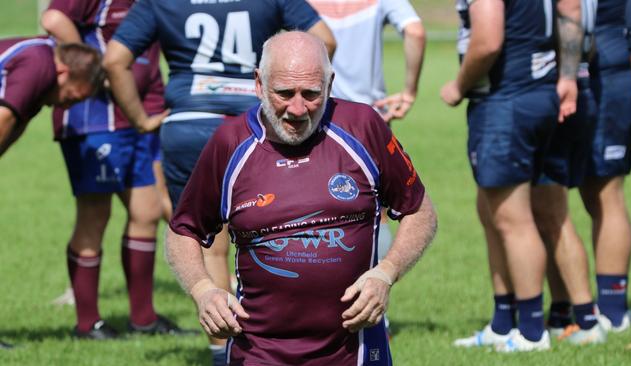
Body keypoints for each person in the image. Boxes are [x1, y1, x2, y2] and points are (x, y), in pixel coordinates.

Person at [166, 31, 437, 365]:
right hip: (259, 352)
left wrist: (386, 273)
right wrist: (203, 290)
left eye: (311, 93)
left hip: (356, 351)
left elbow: (420, 211)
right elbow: (183, 231)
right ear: (259, 84)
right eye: (284, 93)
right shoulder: (229, 142)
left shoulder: (363, 127)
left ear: (330, 83)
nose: (297, 109)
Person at [103, 1, 335, 362]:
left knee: (209, 245)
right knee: (283, 228)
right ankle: (294, 332)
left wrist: (139, 118)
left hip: (189, 122)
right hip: (255, 123)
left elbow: (114, 59)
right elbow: (325, 42)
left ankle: (221, 350)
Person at [440, 0, 585, 351]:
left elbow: (488, 39)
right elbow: (571, 9)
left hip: (506, 102)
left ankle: (532, 331)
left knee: (513, 222)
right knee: (492, 214)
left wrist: (458, 85)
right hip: (539, 95)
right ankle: (503, 321)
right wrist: (567, 74)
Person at [40, 0, 187, 339]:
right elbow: (54, 17)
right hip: (96, 117)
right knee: (95, 215)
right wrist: (93, 67)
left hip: (141, 115)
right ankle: (87, 323)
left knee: (147, 210)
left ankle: (143, 319)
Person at [306, 0, 426, 261]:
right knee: (375, 212)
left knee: (314, 210)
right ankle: (372, 288)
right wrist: (410, 90)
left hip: (316, 115)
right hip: (370, 120)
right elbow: (415, 31)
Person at [533, 0, 605, 344]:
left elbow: (572, 9)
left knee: (552, 214)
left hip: (561, 92)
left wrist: (566, 77)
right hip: (572, 86)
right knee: (543, 215)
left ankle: (588, 320)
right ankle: (562, 313)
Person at [575, 0, 631, 332]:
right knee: (595, 192)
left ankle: (614, 311)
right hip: (613, 74)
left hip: (616, 78)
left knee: (606, 191)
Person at [0, 38, 101, 157]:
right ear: (63, 72)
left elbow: (12, 132)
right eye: (70, 97)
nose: (66, 107)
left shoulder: (41, 87)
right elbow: (4, 119)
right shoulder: (39, 64)